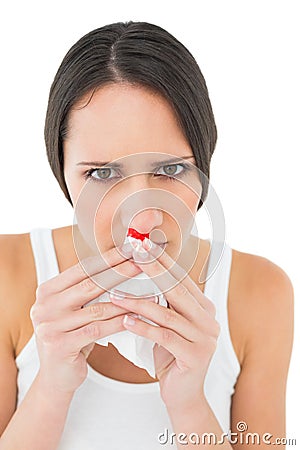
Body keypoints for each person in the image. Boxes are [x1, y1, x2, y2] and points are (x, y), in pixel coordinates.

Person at [0, 21, 294, 450]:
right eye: (102, 173)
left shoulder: (261, 293)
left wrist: (189, 402)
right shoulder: (8, 274)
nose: (140, 214)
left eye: (170, 169)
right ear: (62, 174)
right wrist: (51, 386)